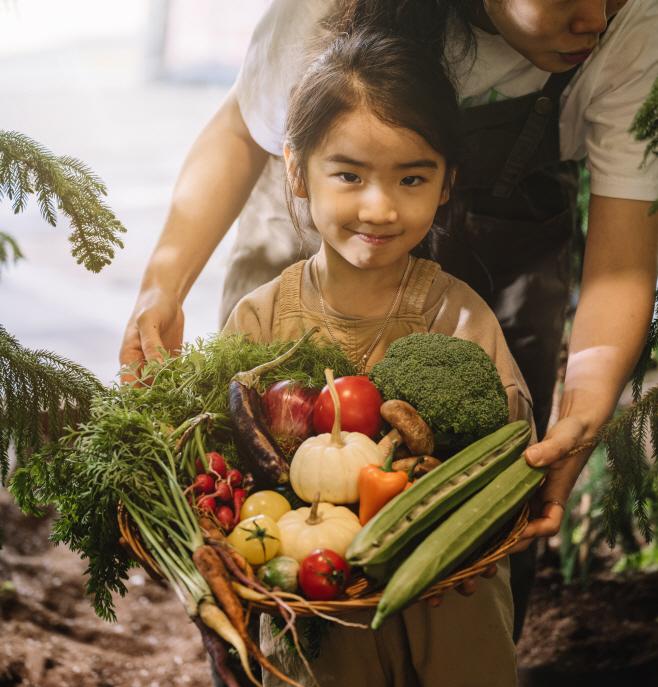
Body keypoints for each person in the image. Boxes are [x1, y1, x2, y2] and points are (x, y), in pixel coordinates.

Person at [120, 1, 658, 628]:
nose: (594, 18)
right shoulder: (327, 11)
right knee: (255, 465)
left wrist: (584, 411)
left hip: (509, 226)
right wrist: (162, 288)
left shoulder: (634, 22)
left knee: (485, 484)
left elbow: (622, 261)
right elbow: (244, 129)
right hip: (314, 218)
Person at [221, 29, 534, 687]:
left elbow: (508, 448)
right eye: (349, 174)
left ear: (448, 182)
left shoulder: (457, 316)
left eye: (412, 178)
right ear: (296, 172)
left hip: (449, 598)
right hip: (318, 616)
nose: (379, 206)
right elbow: (223, 476)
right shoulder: (261, 323)